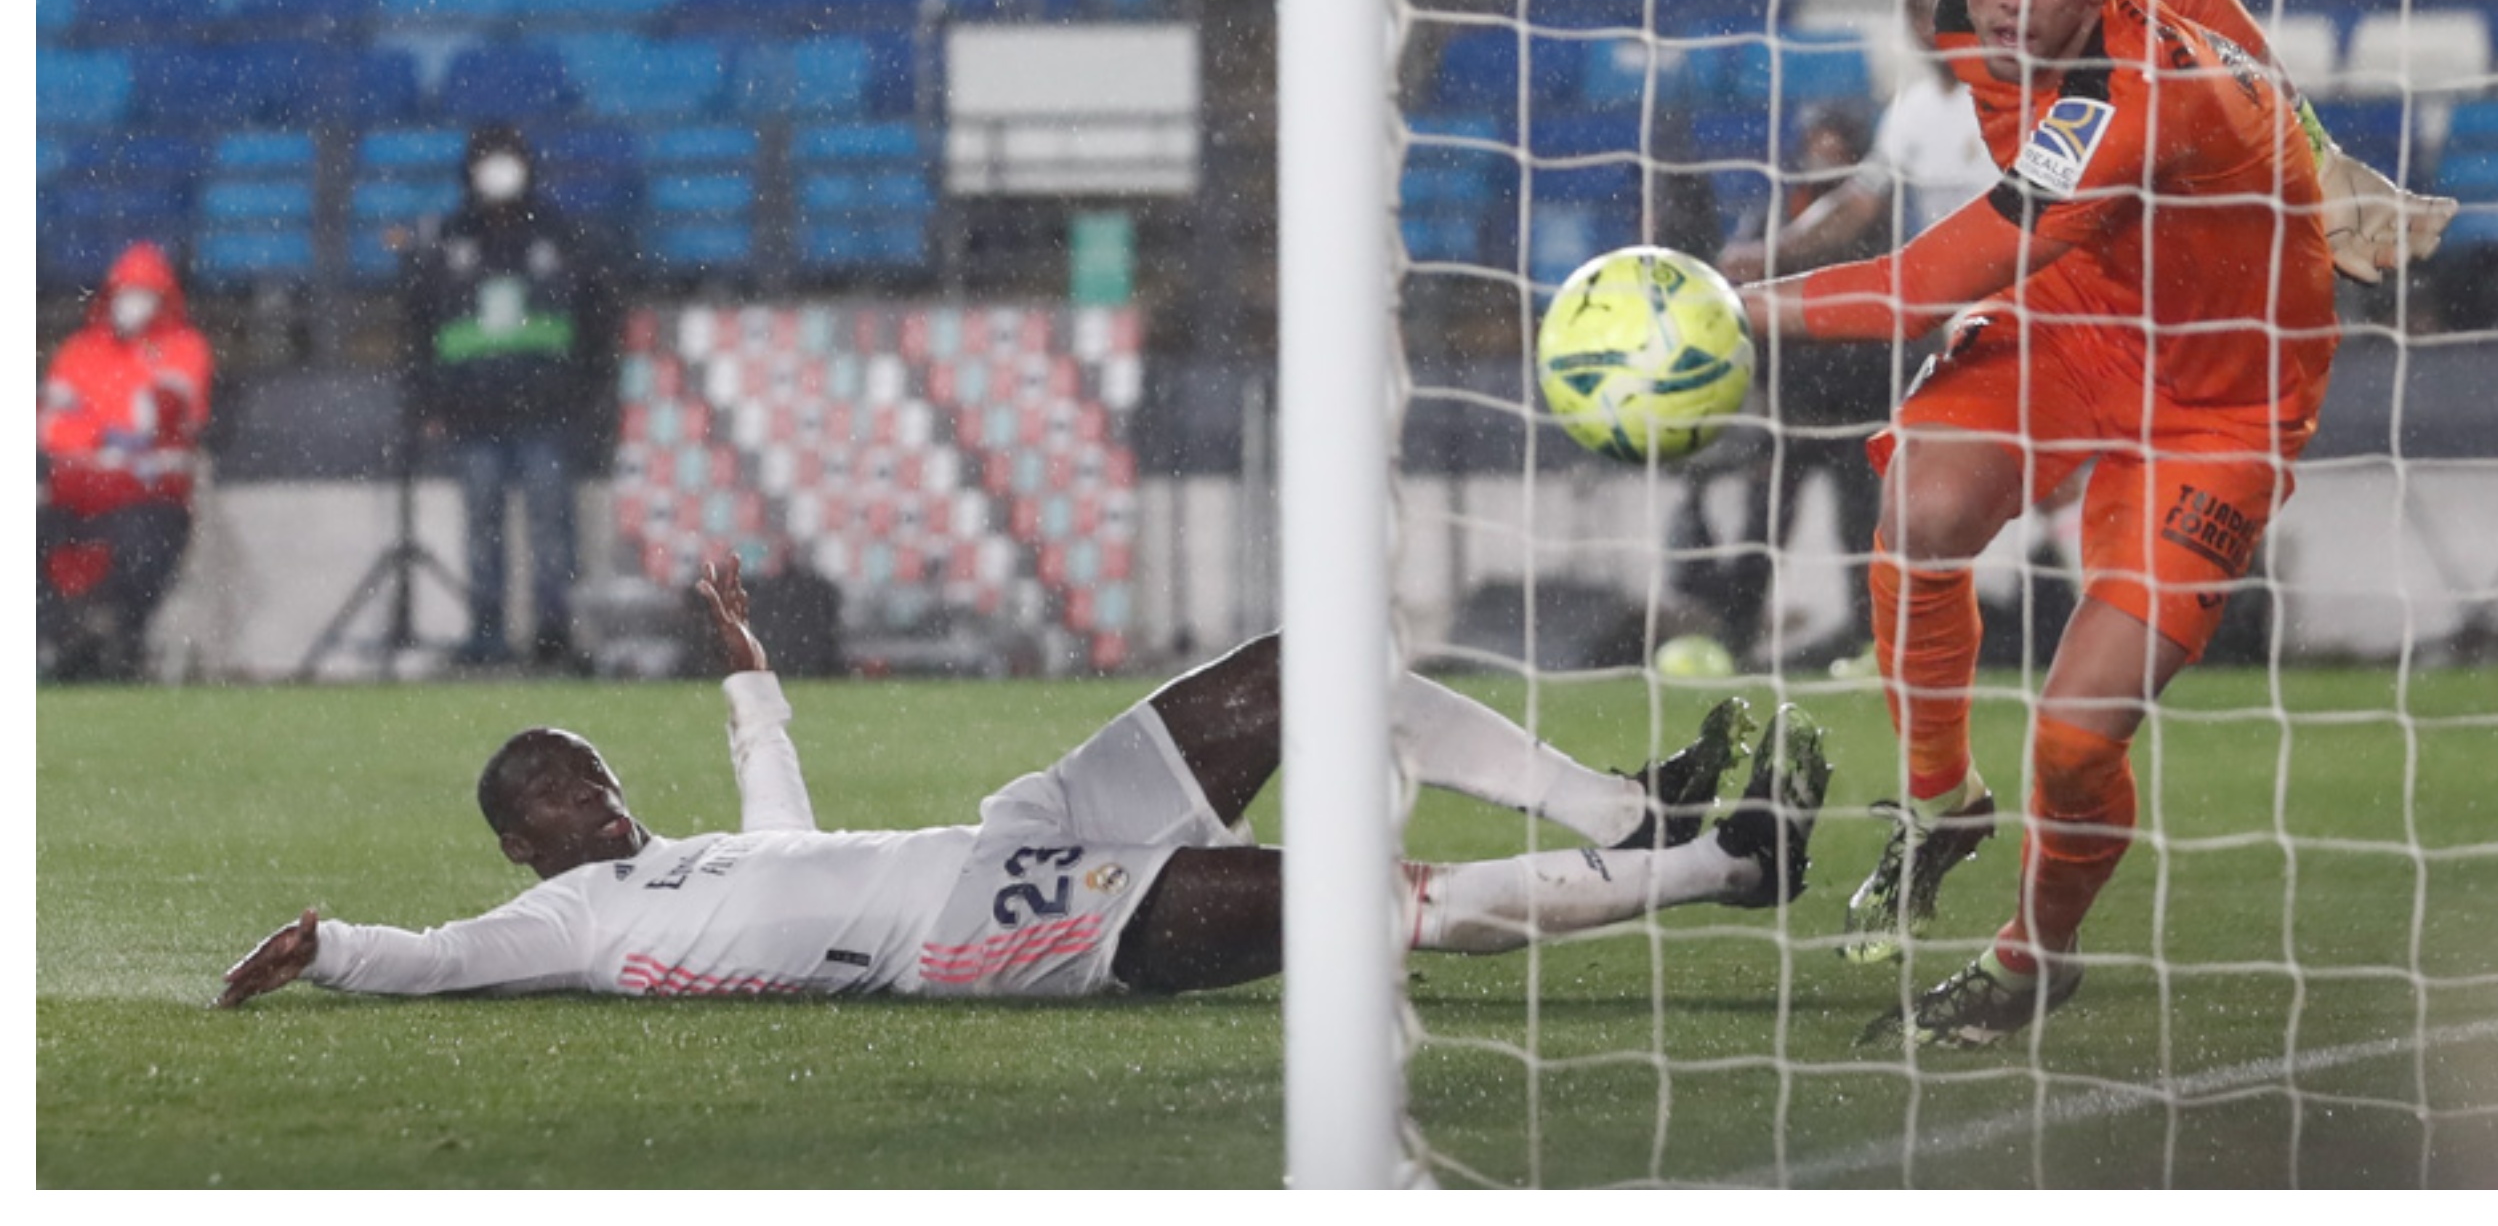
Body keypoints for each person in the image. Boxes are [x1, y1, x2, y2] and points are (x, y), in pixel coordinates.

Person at [1738, 0, 2374, 1047]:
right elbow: (2248, 54)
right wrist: (2329, 174)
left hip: (2221, 402)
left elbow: (1921, 285)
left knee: (2079, 737)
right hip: (2080, 319)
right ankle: (1941, 801)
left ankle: (2034, 957)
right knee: (1920, 511)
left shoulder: (2135, 101)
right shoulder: (1986, 17)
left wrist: (1732, 307)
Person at [219, 557, 1831, 1008]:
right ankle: (1725, 869)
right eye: (563, 795)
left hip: (1011, 832)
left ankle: (1636, 811)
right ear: (525, 844)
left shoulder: (690, 861)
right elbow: (444, 960)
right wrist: (335, 947)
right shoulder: (572, 925)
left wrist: (740, 659)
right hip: (982, 928)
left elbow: (780, 804)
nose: (596, 795)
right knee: (1363, 908)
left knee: (1316, 659)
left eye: (592, 766)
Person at [1670, 101, 1892, 670]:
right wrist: (1764, 396)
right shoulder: (1773, 214)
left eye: (1836, 139)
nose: (1825, 150)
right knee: (1762, 533)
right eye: (1818, 138)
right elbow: (1745, 310)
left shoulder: (1874, 220)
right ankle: (1735, 638)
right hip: (1790, 414)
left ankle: (1872, 643)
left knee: (1862, 535)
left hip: (1858, 411)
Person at [403, 123, 621, 673]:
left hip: (546, 412)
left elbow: (597, 322)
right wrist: (429, 401)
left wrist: (588, 393)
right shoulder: (449, 243)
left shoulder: (559, 237)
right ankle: (486, 635)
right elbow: (421, 330)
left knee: (553, 529)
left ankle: (553, 634)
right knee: (482, 531)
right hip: (472, 417)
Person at [37, 241, 214, 682]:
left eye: (144, 293)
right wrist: (103, 442)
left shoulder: (183, 347)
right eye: (124, 292)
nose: (132, 304)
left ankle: (117, 645)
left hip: (146, 497)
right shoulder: (80, 352)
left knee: (144, 546)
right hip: (78, 493)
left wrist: (110, 442)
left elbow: (172, 416)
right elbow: (51, 423)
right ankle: (55, 644)